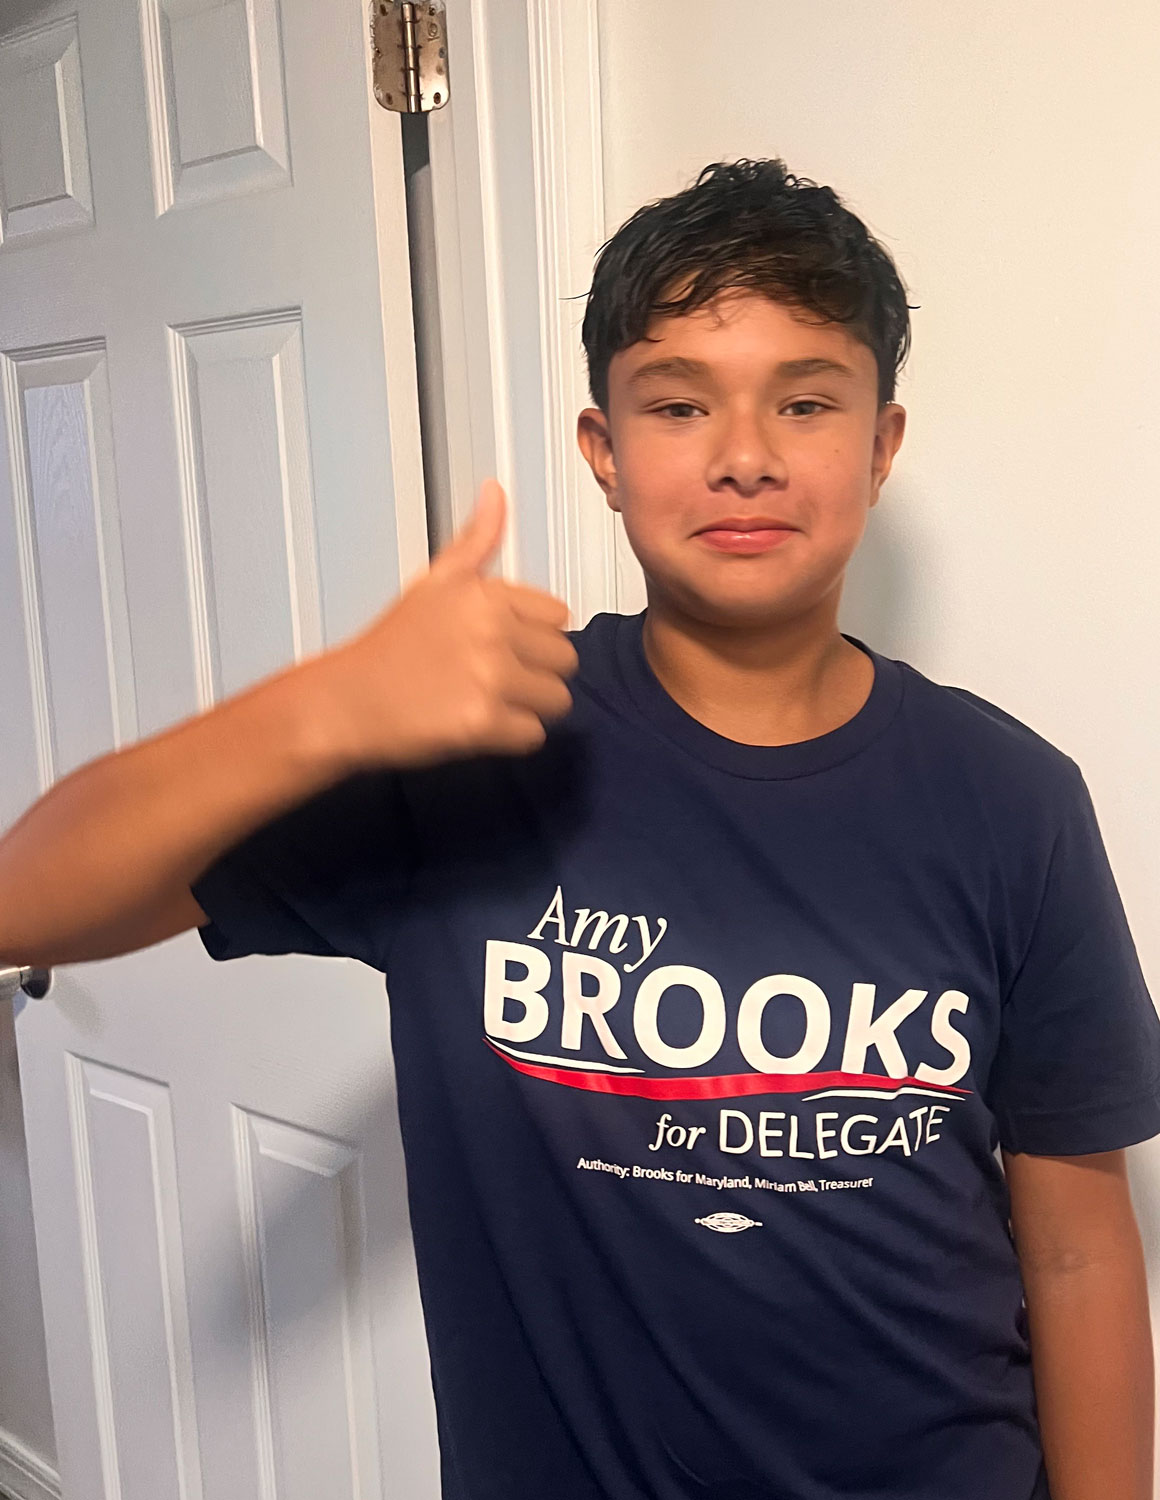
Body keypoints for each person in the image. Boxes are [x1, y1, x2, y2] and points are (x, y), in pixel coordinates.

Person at [2, 157, 1157, 1500]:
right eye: (678, 403)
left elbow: (1077, 1243)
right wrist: (325, 707)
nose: (744, 455)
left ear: (880, 445)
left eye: (804, 401)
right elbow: (29, 900)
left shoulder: (1012, 801)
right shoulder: (469, 758)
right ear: (604, 453)